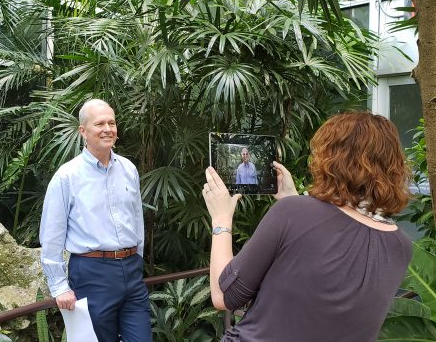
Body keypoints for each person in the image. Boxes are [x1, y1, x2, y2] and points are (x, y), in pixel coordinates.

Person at [202, 112, 412, 342]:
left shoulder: (294, 213)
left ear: (330, 159)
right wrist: (291, 198)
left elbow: (223, 296)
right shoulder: (400, 245)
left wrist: (221, 219)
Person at [40, 99, 151, 342]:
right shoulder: (66, 176)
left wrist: (137, 258)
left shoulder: (128, 169)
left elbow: (137, 219)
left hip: (132, 270)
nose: (108, 129)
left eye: (111, 122)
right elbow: (52, 234)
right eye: (99, 123)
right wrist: (59, 286)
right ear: (83, 131)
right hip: (92, 273)